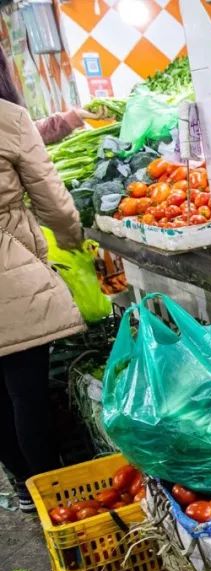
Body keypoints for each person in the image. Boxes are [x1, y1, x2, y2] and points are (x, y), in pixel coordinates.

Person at [0, 46, 85, 511]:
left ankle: (24, 487)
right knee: (26, 391)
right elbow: (52, 201)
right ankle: (49, 489)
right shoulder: (7, 118)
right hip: (12, 276)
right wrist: (73, 240)